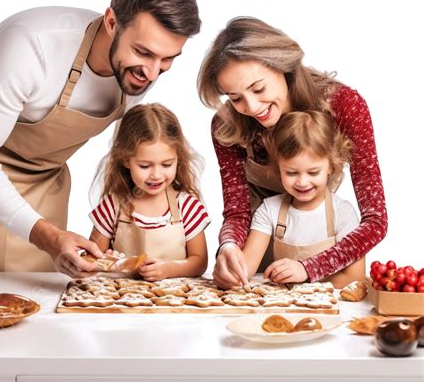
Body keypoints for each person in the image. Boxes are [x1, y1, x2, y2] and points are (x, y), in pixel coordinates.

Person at [0, 0, 201, 276]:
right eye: (143, 52)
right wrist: (48, 236)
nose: (152, 73)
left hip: (48, 186)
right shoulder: (29, 43)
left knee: (40, 300)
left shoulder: (143, 69)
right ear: (112, 21)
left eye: (167, 60)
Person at [197, 16, 387, 288]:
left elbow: (375, 221)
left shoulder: (345, 106)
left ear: (283, 65)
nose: (251, 107)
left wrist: (310, 267)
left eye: (258, 88)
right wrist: (228, 247)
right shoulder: (226, 125)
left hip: (322, 250)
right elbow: (238, 213)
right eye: (235, 97)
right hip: (257, 247)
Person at [241, 110, 365, 289]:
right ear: (279, 167)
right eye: (291, 173)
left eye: (313, 172)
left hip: (329, 308)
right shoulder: (269, 210)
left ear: (331, 166)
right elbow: (246, 267)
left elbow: (355, 278)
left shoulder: (343, 213)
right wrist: (231, 268)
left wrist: (305, 274)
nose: (302, 182)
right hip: (285, 306)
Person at [88, 103, 209, 281]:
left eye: (167, 164)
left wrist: (169, 269)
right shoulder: (113, 206)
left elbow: (199, 262)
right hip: (121, 302)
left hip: (173, 303)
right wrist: (108, 261)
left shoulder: (187, 206)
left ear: (178, 159)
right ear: (125, 160)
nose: (156, 175)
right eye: (144, 166)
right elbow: (92, 257)